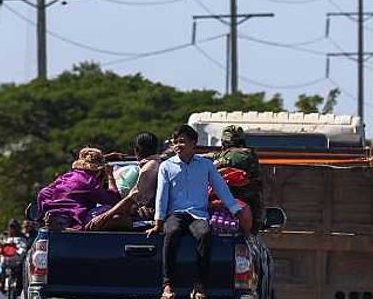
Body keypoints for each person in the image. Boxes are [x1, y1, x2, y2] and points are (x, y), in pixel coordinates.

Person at [148, 125, 248, 299]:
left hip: (198, 214)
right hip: (176, 214)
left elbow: (221, 188)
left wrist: (235, 210)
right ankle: (167, 285)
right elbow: (161, 195)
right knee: (171, 232)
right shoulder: (166, 166)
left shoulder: (205, 165)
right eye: (175, 142)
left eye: (182, 141)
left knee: (204, 234)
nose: (178, 145)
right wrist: (159, 222)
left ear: (193, 143)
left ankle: (199, 285)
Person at [86, 131, 162, 231]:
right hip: (140, 211)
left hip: (146, 215)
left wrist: (104, 216)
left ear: (136, 150)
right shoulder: (154, 164)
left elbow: (132, 198)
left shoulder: (149, 167)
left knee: (102, 221)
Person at [36, 147, 122, 230]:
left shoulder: (65, 177)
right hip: (75, 218)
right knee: (110, 209)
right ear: (98, 170)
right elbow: (113, 200)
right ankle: (72, 227)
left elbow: (43, 193)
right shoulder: (89, 182)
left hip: (56, 215)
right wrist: (110, 176)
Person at [206, 125, 264, 223]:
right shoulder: (224, 155)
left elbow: (234, 157)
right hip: (220, 213)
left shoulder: (244, 155)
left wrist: (219, 163)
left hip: (245, 214)